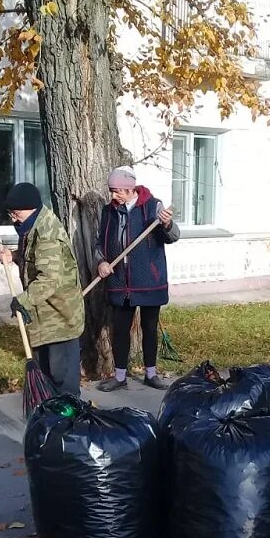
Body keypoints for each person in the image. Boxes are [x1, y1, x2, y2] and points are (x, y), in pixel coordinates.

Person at [94, 165, 180, 392]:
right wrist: (101, 261)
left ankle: (151, 374)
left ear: (129, 188)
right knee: (120, 329)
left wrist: (167, 224)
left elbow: (172, 237)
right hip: (120, 281)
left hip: (149, 278)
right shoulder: (109, 211)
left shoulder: (152, 206)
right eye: (112, 190)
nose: (114, 195)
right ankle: (120, 376)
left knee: (149, 328)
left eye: (118, 191)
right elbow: (100, 243)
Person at [0, 182, 84, 397]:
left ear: (31, 208)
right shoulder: (32, 225)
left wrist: (23, 300)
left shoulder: (47, 234)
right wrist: (15, 256)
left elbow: (49, 279)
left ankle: (69, 426)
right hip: (44, 320)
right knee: (46, 382)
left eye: (16, 213)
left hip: (59, 321)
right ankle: (50, 424)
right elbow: (36, 258)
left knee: (63, 386)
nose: (14, 219)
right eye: (11, 214)